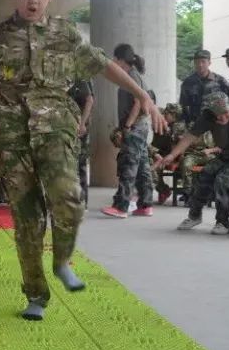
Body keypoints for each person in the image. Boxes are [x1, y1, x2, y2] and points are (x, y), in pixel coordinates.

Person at [0, 0, 165, 321]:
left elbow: (104, 64)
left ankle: (62, 260)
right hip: (11, 135)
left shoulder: (66, 33)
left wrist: (143, 95)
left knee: (69, 199)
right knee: (27, 220)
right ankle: (36, 294)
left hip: (57, 129)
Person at [155, 92, 229, 235]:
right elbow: (189, 137)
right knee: (204, 174)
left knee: (224, 179)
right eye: (219, 114)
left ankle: (223, 223)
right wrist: (171, 155)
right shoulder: (207, 118)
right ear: (210, 113)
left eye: (226, 112)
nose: (223, 117)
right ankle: (194, 216)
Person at [102, 44, 155, 219]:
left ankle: (121, 206)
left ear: (119, 60)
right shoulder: (134, 75)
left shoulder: (131, 76)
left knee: (128, 165)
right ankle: (145, 205)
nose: (113, 62)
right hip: (141, 127)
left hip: (135, 127)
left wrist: (127, 125)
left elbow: (139, 101)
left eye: (114, 59)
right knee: (142, 167)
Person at [178, 49, 229, 125]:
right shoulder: (188, 83)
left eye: (203, 61)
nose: (200, 65)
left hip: (215, 123)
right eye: (197, 62)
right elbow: (183, 105)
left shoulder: (220, 81)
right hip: (195, 123)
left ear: (209, 63)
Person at [151, 103, 186, 204]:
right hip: (160, 153)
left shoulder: (178, 126)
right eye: (165, 112)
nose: (165, 115)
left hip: (172, 156)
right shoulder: (162, 122)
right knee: (147, 166)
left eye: (167, 113)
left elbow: (179, 146)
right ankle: (163, 190)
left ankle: (162, 190)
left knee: (152, 169)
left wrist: (176, 160)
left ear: (174, 115)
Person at [67, 78, 94, 207]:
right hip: (69, 125)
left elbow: (89, 100)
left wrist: (82, 123)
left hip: (78, 127)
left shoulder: (80, 77)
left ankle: (82, 201)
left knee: (79, 163)